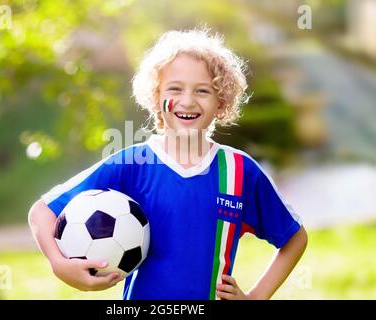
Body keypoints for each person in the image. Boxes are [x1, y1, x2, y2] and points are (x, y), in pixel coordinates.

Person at [28, 28, 308, 300]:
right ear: (156, 97)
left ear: (221, 102)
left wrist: (257, 297)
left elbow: (294, 238)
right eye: (175, 89)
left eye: (202, 91)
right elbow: (41, 212)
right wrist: (59, 264)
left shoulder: (239, 171)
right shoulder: (132, 163)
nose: (187, 101)